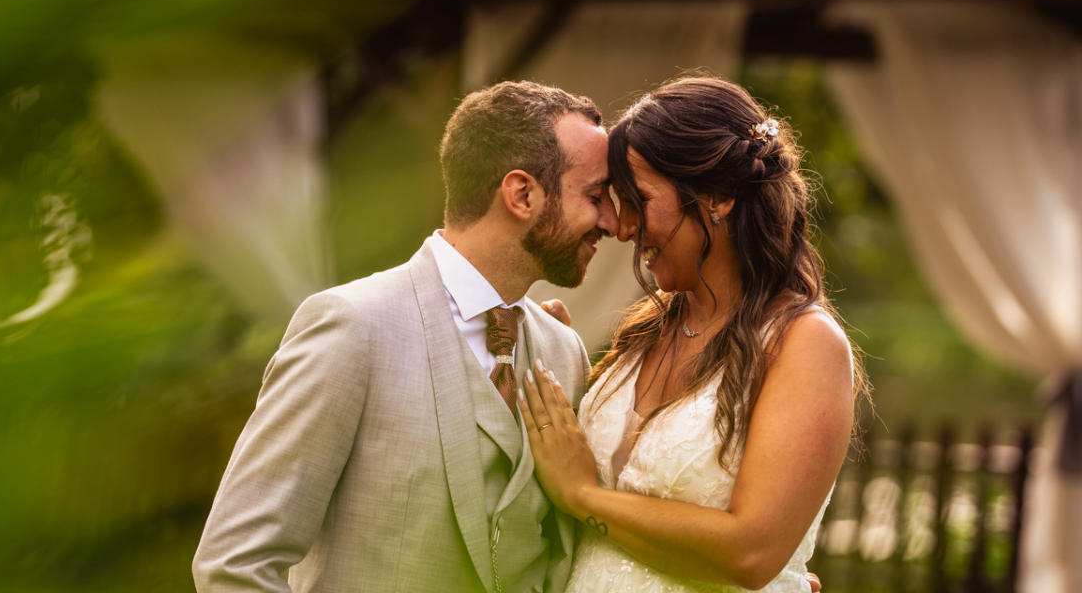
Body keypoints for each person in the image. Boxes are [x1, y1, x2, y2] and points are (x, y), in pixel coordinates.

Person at [192, 80, 619, 593]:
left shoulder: (563, 349)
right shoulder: (351, 326)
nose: (613, 222)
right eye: (595, 196)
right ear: (522, 194)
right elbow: (234, 564)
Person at [518, 74, 864, 592]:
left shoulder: (803, 343)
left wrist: (584, 496)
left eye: (639, 200)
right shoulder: (647, 331)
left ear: (718, 198)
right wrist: (559, 366)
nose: (623, 227)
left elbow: (751, 552)